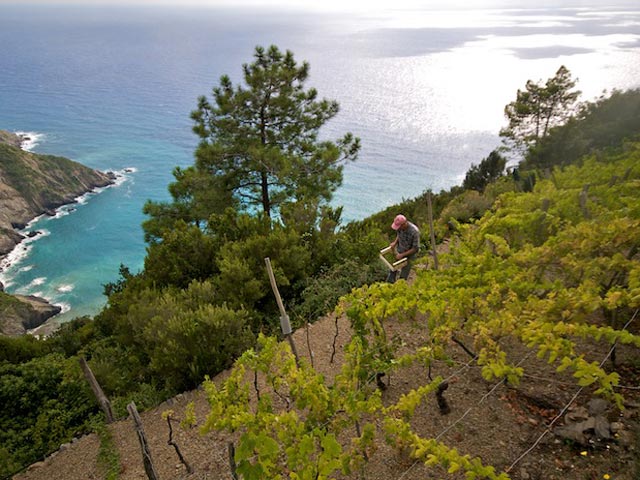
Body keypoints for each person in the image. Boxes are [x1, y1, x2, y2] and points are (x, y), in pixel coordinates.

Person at [386, 214, 420, 283]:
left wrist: (402, 255)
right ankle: (389, 285)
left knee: (403, 275)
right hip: (399, 250)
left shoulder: (414, 231)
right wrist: (394, 243)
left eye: (399, 227)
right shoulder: (400, 228)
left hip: (409, 255)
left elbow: (415, 248)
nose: (398, 228)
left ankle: (400, 289)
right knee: (392, 269)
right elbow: (399, 235)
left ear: (404, 224)